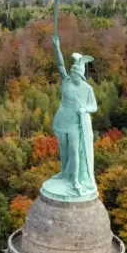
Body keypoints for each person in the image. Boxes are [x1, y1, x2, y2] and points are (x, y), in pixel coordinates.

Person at [50, 35, 98, 197]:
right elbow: (60, 64)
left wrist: (85, 109)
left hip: (75, 124)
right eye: (72, 73)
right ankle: (64, 173)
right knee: (63, 150)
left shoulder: (87, 89)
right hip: (62, 119)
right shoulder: (66, 81)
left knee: (74, 151)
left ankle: (76, 180)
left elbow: (94, 106)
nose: (72, 75)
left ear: (81, 75)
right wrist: (57, 47)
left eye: (75, 73)